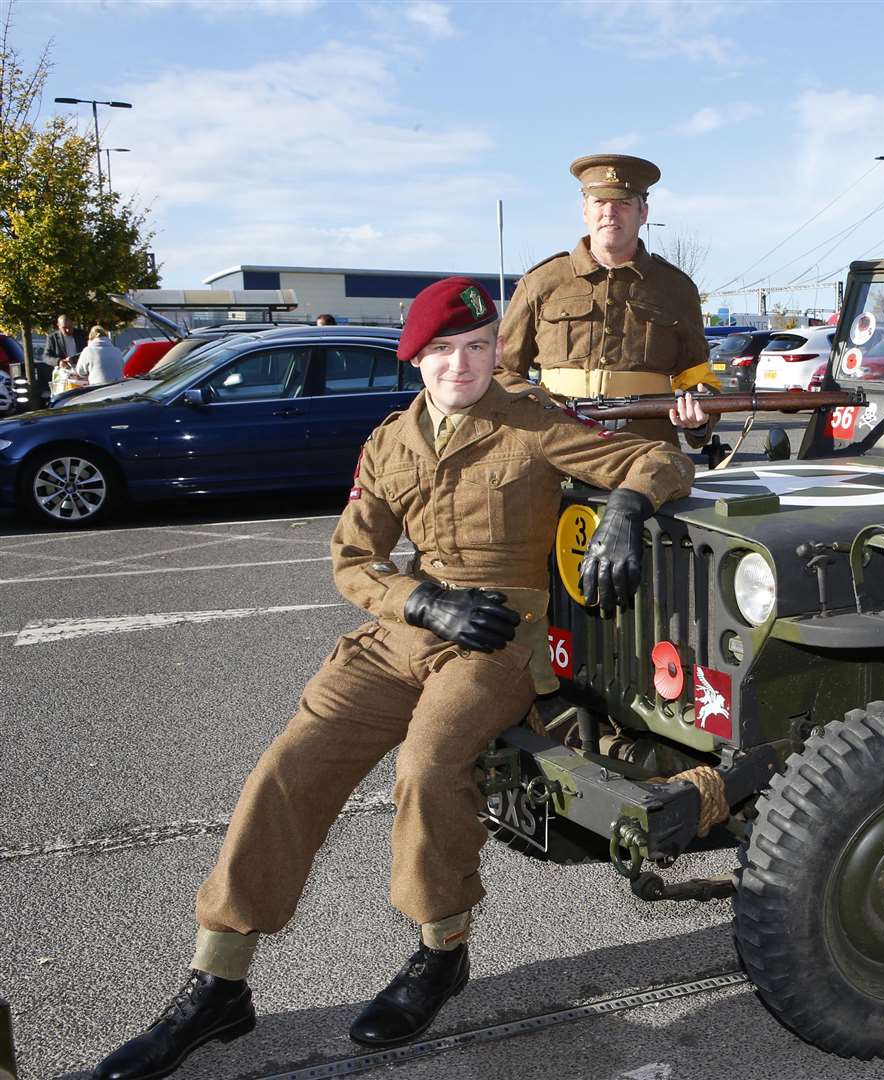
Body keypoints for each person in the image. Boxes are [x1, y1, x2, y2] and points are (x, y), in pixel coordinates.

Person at [92, 278, 695, 1080]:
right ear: (416, 360)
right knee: (290, 765)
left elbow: (655, 457)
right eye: (444, 352)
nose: (462, 365)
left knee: (428, 766)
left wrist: (624, 507)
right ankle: (217, 981)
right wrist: (419, 601)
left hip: (497, 640)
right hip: (406, 628)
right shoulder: (389, 443)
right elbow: (352, 559)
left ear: (494, 354)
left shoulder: (535, 424)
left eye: (477, 348)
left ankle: (440, 951)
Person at [497, 153, 716, 446]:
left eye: (623, 203)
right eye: (599, 202)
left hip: (644, 448)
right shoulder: (541, 282)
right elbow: (504, 372)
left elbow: (697, 378)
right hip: (555, 446)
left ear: (644, 214)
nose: (610, 213)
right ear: (584, 210)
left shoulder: (676, 288)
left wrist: (700, 420)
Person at [42, 314, 86, 400]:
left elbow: (87, 351)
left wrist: (74, 358)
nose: (68, 330)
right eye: (64, 327)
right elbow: (45, 357)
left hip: (80, 373)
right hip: (63, 375)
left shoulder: (82, 335)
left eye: (70, 327)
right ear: (58, 326)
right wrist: (58, 362)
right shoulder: (52, 338)